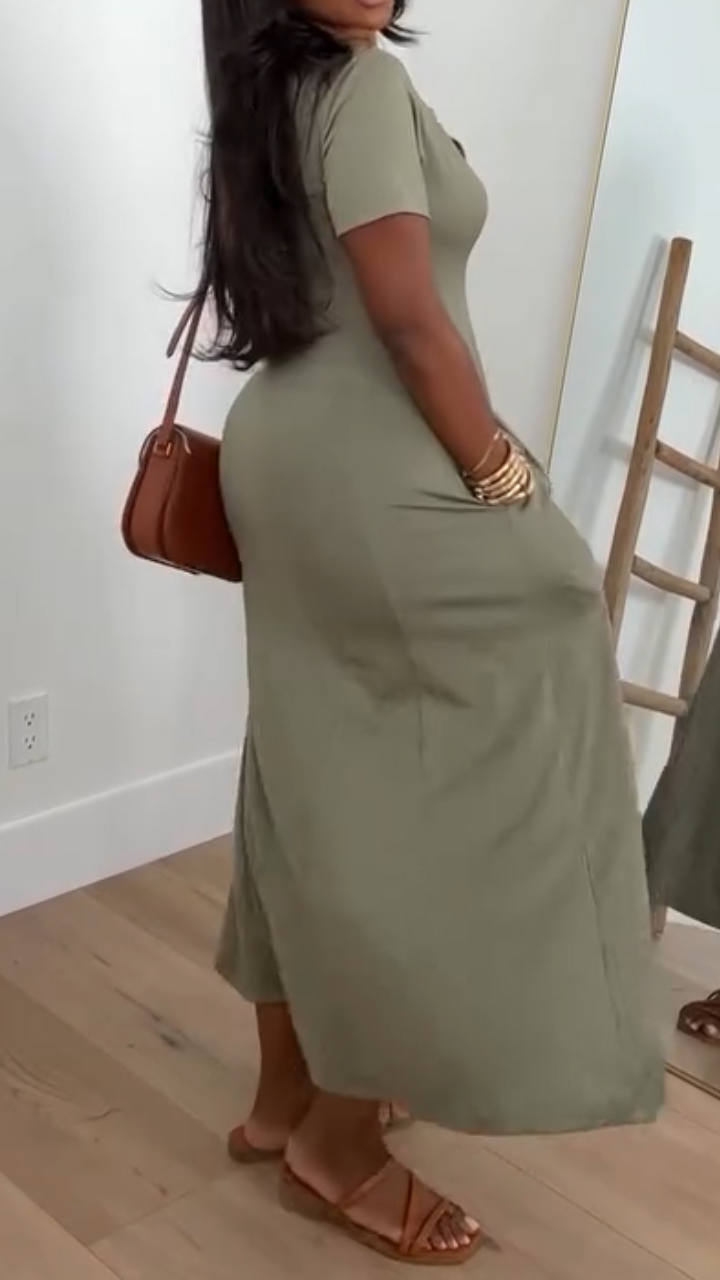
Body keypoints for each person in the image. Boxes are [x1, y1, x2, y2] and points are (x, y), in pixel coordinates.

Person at [199, 0, 663, 1265]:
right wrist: (507, 476)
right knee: (502, 698)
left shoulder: (267, 90)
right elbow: (407, 317)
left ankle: (285, 1094)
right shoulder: (359, 85)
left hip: (287, 453)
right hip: (370, 463)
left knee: (310, 756)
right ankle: (339, 1137)